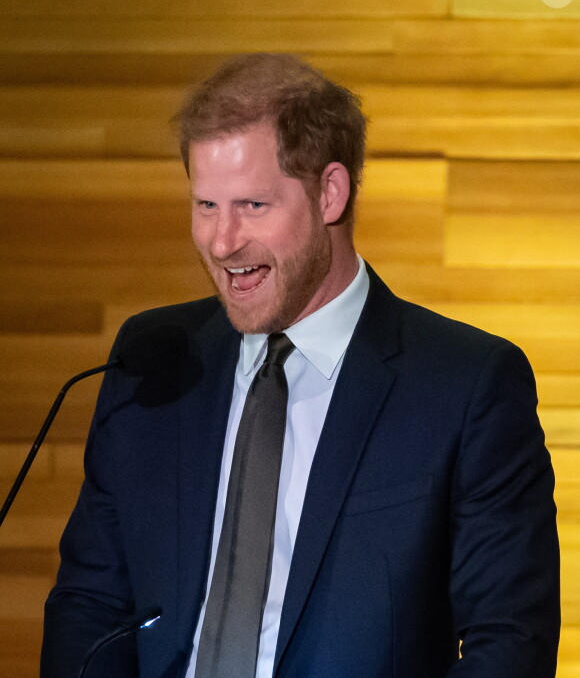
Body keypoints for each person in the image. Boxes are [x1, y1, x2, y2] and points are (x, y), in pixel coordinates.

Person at [41, 53, 560, 678]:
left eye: (252, 206)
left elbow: (508, 642)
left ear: (330, 193)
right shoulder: (153, 357)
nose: (222, 241)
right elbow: (90, 603)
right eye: (206, 204)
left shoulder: (467, 384)